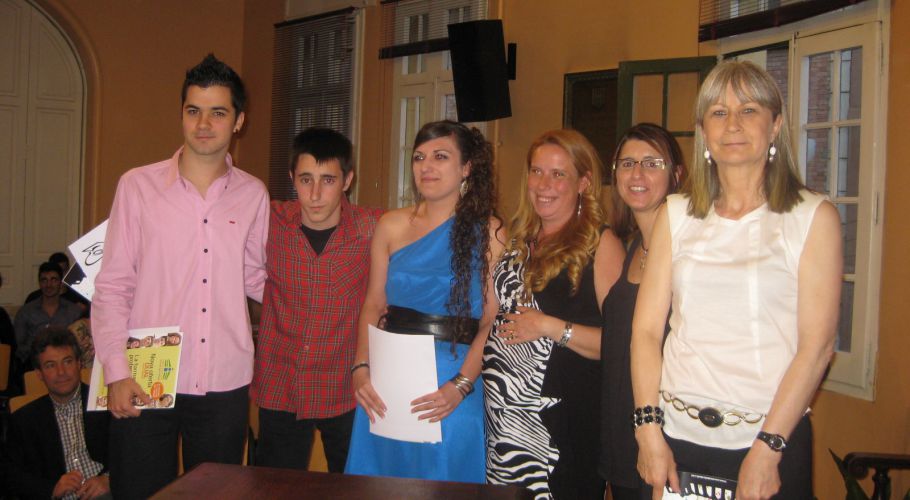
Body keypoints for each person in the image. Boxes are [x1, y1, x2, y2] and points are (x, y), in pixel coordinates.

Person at [631, 60, 842, 500]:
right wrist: (647, 430)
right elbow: (646, 332)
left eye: (748, 110)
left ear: (775, 125)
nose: (733, 124)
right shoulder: (676, 214)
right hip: (677, 438)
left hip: (770, 443)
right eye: (719, 112)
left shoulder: (812, 217)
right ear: (703, 131)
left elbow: (817, 346)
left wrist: (768, 448)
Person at [91, 53, 268, 499]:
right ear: (182, 115)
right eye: (193, 111)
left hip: (224, 381)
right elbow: (112, 286)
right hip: (144, 376)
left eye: (218, 112)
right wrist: (115, 371)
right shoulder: (137, 186)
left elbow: (257, 278)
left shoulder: (253, 194)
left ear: (239, 121)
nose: (203, 124)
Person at [345, 120, 504, 482]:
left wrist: (461, 384)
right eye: (419, 157)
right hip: (387, 379)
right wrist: (360, 367)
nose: (426, 166)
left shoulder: (490, 231)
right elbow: (373, 303)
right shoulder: (390, 225)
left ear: (466, 168)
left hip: (453, 382)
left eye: (440, 156)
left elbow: (491, 321)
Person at [483, 129, 624, 499]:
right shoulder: (519, 240)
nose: (544, 184)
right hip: (505, 417)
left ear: (584, 183)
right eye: (537, 171)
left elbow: (620, 343)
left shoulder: (601, 244)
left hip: (561, 420)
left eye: (559, 174)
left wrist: (548, 326)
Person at [251, 127, 380, 472]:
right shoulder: (269, 222)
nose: (316, 194)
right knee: (276, 489)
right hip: (281, 383)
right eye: (306, 180)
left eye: (328, 180)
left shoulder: (372, 228)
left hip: (345, 386)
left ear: (348, 180)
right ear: (292, 178)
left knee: (352, 487)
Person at [599, 123, 686, 500]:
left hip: (665, 432)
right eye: (627, 163)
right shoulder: (633, 245)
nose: (637, 174)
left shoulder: (688, 250)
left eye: (652, 163)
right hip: (623, 428)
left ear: (676, 174)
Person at [3, 327, 112, 499]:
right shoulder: (23, 420)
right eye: (50, 365)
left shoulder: (108, 403)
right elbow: (11, 476)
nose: (61, 372)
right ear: (39, 373)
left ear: (79, 364)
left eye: (67, 361)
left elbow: (132, 450)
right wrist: (51, 489)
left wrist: (108, 479)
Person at [14, 262, 82, 368]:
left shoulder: (74, 312)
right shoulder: (25, 312)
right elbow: (19, 347)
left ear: (61, 282)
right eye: (44, 280)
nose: (49, 285)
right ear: (39, 283)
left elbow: (80, 346)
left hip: (66, 366)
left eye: (54, 280)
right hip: (33, 367)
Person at [24, 252, 91, 317]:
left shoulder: (79, 297)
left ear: (68, 271)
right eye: (57, 271)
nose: (61, 275)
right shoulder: (33, 298)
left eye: (64, 271)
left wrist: (85, 311)